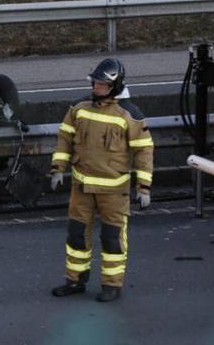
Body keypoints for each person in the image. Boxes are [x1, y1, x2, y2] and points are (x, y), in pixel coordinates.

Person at [49, 58, 154, 302]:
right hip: (81, 187)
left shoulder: (130, 115)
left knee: (112, 239)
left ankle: (112, 285)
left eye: (101, 84)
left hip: (113, 192)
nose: (96, 87)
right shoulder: (79, 107)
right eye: (95, 82)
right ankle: (75, 280)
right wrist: (57, 168)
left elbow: (144, 151)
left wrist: (144, 187)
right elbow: (64, 139)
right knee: (76, 237)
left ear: (115, 87)